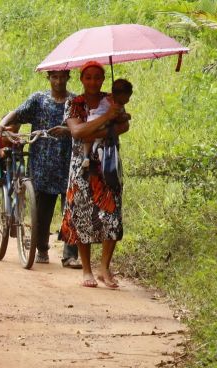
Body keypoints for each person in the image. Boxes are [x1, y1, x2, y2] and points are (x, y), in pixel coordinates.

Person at [0, 70, 79, 267]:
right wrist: (1, 124)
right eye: (54, 77)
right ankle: (41, 248)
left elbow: (81, 126)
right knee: (42, 209)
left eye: (62, 76)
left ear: (68, 77)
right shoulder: (38, 99)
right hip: (42, 162)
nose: (58, 81)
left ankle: (70, 255)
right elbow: (18, 113)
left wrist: (67, 131)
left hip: (68, 160)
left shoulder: (75, 101)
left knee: (72, 208)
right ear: (48, 78)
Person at [61, 61, 131, 289]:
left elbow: (124, 126)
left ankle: (104, 268)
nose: (93, 81)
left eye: (97, 77)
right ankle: (87, 270)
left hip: (107, 165)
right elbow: (77, 131)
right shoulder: (74, 102)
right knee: (83, 216)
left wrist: (105, 123)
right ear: (81, 80)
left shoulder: (111, 100)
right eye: (88, 77)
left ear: (103, 79)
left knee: (112, 217)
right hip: (82, 167)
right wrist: (106, 119)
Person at [82, 78, 133, 166]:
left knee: (90, 140)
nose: (127, 101)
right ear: (117, 95)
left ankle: (87, 156)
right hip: (99, 121)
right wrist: (127, 116)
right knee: (95, 138)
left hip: (92, 119)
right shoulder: (116, 105)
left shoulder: (107, 98)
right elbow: (118, 119)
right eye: (126, 98)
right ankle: (98, 150)